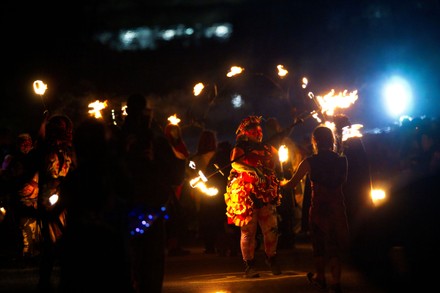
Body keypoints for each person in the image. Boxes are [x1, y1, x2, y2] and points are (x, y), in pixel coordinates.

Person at [58, 117, 133, 292]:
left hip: (81, 245)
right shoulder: (112, 173)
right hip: (104, 243)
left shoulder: (78, 176)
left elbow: (60, 207)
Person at [120, 93, 184, 293]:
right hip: (141, 207)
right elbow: (175, 175)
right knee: (149, 262)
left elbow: (174, 174)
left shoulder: (119, 137)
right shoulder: (149, 140)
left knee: (134, 260)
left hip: (136, 208)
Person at [281, 125, 349, 293]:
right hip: (337, 208)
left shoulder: (309, 162)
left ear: (315, 141)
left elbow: (291, 185)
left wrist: (282, 182)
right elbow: (343, 181)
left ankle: (320, 277)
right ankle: (336, 281)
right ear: (332, 140)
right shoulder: (342, 160)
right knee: (334, 246)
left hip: (319, 208)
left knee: (319, 245)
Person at [224, 115, 282, 278]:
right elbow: (235, 163)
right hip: (246, 194)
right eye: (253, 131)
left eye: (260, 131)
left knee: (271, 229)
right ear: (245, 133)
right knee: (249, 232)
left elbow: (276, 164)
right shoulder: (240, 148)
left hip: (266, 193)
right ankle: (249, 264)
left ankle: (272, 258)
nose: (258, 134)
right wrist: (253, 170)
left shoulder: (269, 148)